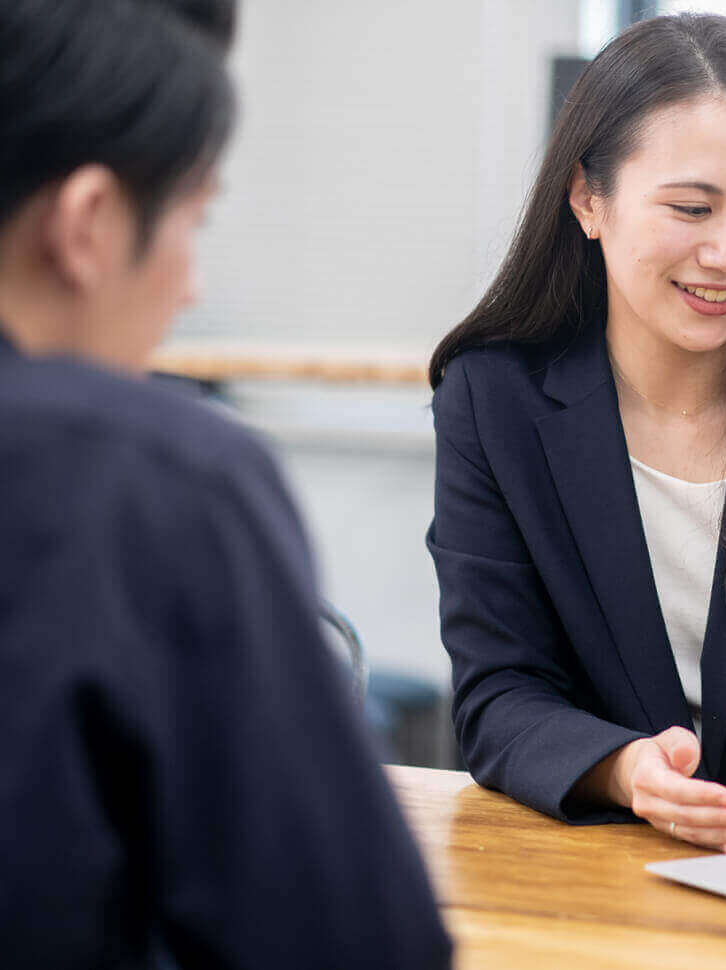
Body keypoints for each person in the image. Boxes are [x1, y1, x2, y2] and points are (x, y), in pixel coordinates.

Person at [0, 2, 452, 967]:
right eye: (193, 224)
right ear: (85, 226)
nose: (191, 285)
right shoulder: (157, 481)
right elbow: (357, 941)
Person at [427, 12, 726, 854]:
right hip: (603, 867)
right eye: (691, 208)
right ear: (588, 199)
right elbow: (499, 692)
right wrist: (623, 769)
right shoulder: (493, 399)